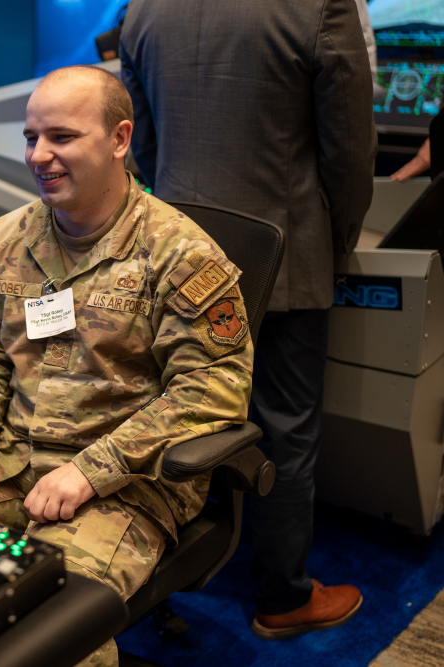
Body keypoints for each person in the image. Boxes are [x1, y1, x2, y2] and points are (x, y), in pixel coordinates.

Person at [0, 65, 254, 667]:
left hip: (123, 487)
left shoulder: (180, 255)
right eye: (30, 137)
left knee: (51, 626)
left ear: (120, 139)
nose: (39, 155)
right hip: (7, 455)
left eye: (63, 137)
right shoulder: (2, 241)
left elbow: (213, 391)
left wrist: (91, 472)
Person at [120, 0, 376, 641]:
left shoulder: (144, 11)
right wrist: (338, 244)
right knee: (285, 431)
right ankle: (284, 597)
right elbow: (350, 153)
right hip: (286, 255)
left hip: (177, 255)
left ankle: (151, 563)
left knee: (178, 410)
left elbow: (142, 140)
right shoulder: (322, 7)